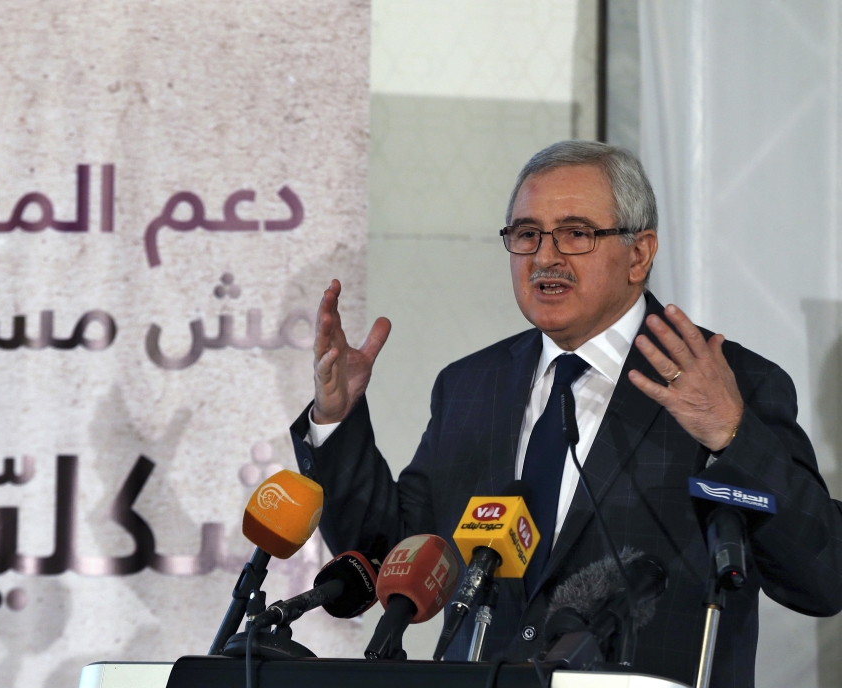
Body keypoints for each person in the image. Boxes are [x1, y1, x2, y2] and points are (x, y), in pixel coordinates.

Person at [288, 140, 842, 687]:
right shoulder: (470, 385)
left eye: (576, 233)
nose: (545, 257)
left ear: (640, 254)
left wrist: (732, 434)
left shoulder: (732, 383)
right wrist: (335, 421)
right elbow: (397, 559)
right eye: (527, 234)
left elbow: (821, 580)